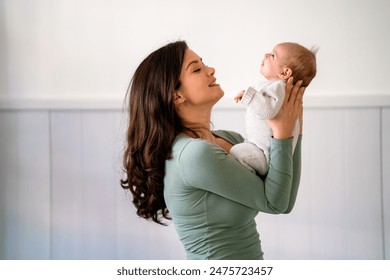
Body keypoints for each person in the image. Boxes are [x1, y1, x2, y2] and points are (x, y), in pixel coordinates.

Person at [121, 40, 305, 260]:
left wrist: (294, 123)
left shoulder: (230, 140)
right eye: (197, 69)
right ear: (176, 95)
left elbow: (285, 201)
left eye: (204, 63)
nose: (211, 70)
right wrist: (283, 133)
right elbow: (275, 203)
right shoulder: (194, 155)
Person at [231, 42, 317, 175]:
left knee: (236, 152)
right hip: (260, 149)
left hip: (265, 155)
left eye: (272, 55)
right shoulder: (275, 88)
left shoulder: (278, 87)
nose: (266, 54)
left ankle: (253, 179)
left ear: (284, 73)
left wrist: (247, 95)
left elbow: (268, 111)